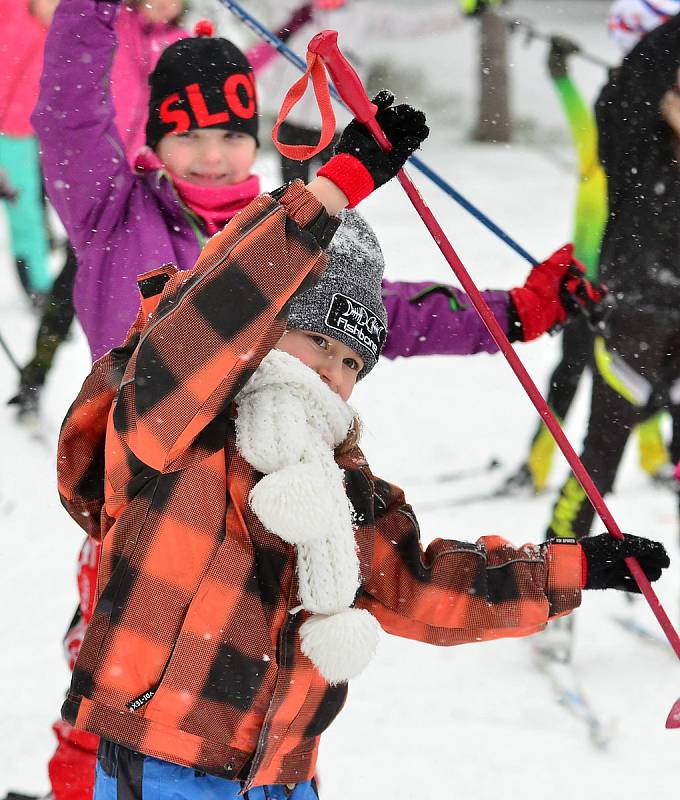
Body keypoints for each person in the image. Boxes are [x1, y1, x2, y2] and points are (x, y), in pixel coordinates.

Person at [24, 2, 604, 796]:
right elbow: (66, 107)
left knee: (249, 670)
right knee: (119, 700)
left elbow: (393, 313)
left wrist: (519, 311)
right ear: (151, 142)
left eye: (231, 135)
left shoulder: (300, 237)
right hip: (159, 485)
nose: (213, 156)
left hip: (277, 486)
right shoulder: (114, 217)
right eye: (189, 136)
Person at [503, 34, 670, 496]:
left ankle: (655, 458)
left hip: (626, 299)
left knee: (643, 378)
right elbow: (584, 124)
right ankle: (536, 467)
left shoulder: (653, 178)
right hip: (584, 294)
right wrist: (561, 77)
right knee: (567, 380)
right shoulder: (598, 166)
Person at [8, 0, 189, 421]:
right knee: (68, 289)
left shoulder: (182, 44)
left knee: (148, 313)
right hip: (102, 189)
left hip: (151, 195)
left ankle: (135, 412)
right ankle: (36, 376)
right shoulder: (117, 22)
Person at [257, 0, 462, 184]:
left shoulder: (364, 15)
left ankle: (337, 225)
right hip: (293, 120)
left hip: (336, 125)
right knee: (292, 190)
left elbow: (416, 23)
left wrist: (463, 11)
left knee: (334, 192)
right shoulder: (292, 8)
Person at [0, 0, 59, 305]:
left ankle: (38, 284)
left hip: (18, 137)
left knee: (25, 210)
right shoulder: (9, 9)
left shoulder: (63, 37)